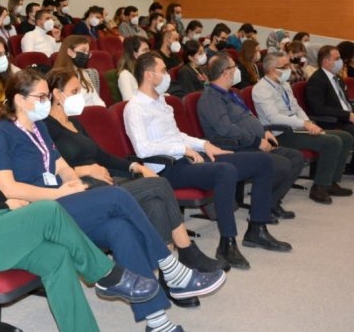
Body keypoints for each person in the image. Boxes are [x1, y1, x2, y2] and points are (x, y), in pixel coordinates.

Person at [0, 78, 161, 332]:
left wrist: (7, 208)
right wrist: (5, 206)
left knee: (56, 256)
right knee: (49, 210)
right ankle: (106, 275)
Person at [0, 70, 225, 332]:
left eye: (47, 96)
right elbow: (8, 187)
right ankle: (172, 268)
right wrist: (59, 193)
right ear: (20, 99)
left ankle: (157, 322)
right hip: (37, 213)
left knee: (120, 228)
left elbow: (61, 165)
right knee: (117, 196)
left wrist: (72, 182)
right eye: (41, 97)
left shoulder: (38, 127)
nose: (46, 102)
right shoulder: (0, 133)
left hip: (61, 202)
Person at [45, 68, 227, 274]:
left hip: (105, 181)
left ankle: (166, 272)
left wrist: (136, 167)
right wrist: (84, 169)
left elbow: (102, 156)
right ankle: (186, 252)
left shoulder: (75, 122)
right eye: (74, 91)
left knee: (155, 204)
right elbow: (47, 167)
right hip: (83, 189)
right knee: (160, 185)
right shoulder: (45, 126)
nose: (80, 96)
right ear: (58, 94)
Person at [125, 52, 293, 270]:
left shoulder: (161, 102)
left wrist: (204, 145)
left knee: (263, 161)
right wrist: (182, 149)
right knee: (225, 171)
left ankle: (257, 229)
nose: (167, 75)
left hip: (187, 160)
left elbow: (178, 135)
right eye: (163, 70)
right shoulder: (135, 107)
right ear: (149, 75)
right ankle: (227, 244)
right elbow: (143, 148)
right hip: (166, 170)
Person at [198, 53, 304, 219]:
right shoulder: (211, 98)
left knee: (296, 157)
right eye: (234, 67)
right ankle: (260, 210)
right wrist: (256, 141)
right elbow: (226, 130)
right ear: (225, 72)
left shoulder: (230, 93)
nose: (237, 70)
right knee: (281, 164)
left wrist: (264, 130)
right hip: (234, 147)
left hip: (252, 142)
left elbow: (247, 118)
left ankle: (270, 203)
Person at [253, 52, 353, 204]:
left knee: (346, 137)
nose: (290, 68)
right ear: (273, 70)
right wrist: (303, 124)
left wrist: (307, 122)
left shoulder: (284, 84)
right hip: (281, 133)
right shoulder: (261, 89)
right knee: (332, 142)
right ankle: (319, 187)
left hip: (297, 127)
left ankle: (331, 182)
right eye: (285, 66)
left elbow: (296, 107)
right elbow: (273, 118)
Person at [305, 45, 354, 171]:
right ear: (326, 62)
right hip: (331, 121)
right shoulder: (317, 79)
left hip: (344, 117)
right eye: (337, 59)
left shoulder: (337, 78)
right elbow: (318, 108)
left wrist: (350, 113)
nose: (340, 62)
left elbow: (344, 102)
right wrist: (347, 115)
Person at [53, 35, 105, 107]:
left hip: (93, 112)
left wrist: (102, 111)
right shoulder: (59, 76)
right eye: (83, 50)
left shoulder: (84, 73)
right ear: (70, 52)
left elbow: (97, 100)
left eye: (87, 52)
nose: (86, 55)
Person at [118, 35, 150, 101]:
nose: (149, 53)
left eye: (148, 50)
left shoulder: (147, 71)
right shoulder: (125, 75)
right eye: (145, 50)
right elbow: (129, 102)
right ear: (134, 54)